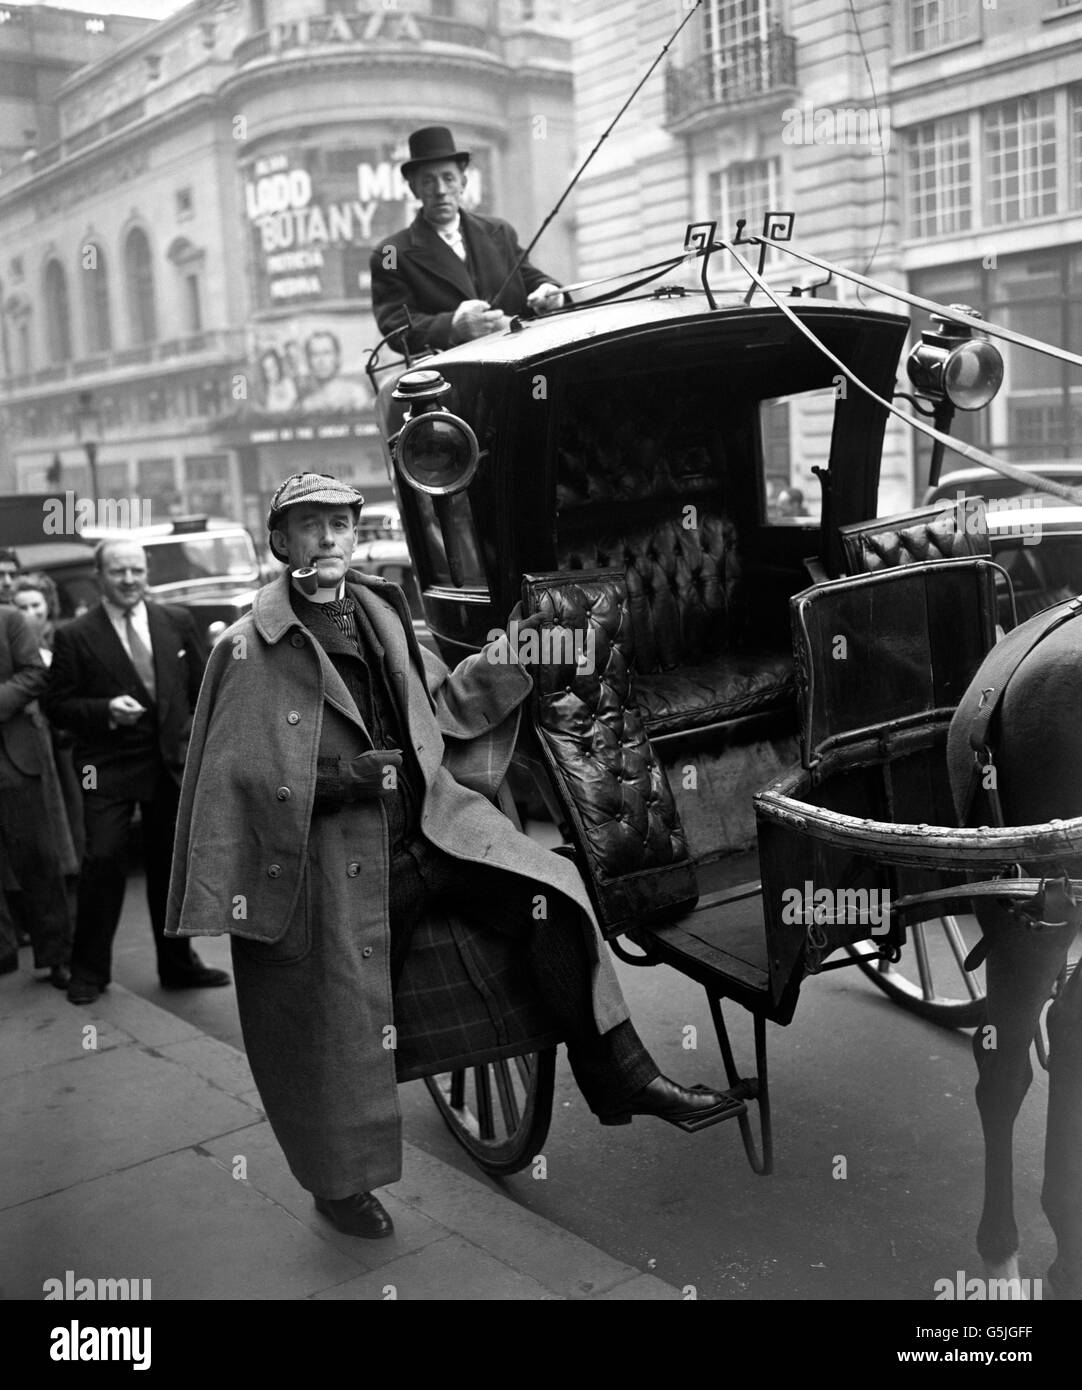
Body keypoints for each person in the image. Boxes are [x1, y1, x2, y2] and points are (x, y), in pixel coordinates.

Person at [165, 472, 743, 1239]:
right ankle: (339, 1184)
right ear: (280, 544)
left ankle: (627, 1082)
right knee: (334, 1018)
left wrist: (521, 651)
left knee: (555, 900)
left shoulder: (377, 612)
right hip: (342, 866)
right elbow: (233, 781)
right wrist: (339, 779)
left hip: (433, 830)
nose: (329, 538)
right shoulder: (248, 649)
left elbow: (440, 711)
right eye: (309, 526)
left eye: (339, 523)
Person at [43, 539, 231, 1005]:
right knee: (103, 859)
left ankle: (178, 965)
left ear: (146, 574)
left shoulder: (175, 622)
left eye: (136, 571)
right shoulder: (75, 635)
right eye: (118, 572)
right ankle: (88, 971)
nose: (129, 580)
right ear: (99, 576)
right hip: (106, 766)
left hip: (168, 763)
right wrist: (105, 709)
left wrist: (197, 747)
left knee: (169, 869)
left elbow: (203, 689)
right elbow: (56, 706)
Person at [370, 126, 565, 356]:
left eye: (448, 178)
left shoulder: (499, 231)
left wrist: (552, 294)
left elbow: (531, 279)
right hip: (453, 377)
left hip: (521, 359)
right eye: (429, 181)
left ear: (463, 183)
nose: (441, 190)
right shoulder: (390, 253)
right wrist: (452, 325)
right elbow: (395, 325)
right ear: (414, 189)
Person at [0, 602, 72, 986]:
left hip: (12, 757)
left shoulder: (9, 619)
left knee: (38, 859)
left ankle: (57, 955)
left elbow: (34, 674)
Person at [299, 330, 369, 413]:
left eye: (326, 353)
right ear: (308, 361)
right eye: (315, 354)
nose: (321, 360)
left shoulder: (356, 394)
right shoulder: (307, 404)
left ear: (337, 357)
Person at [258, 347, 299, 415]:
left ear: (278, 365)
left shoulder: (289, 383)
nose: (271, 373)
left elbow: (293, 405)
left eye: (273, 367)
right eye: (267, 370)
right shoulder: (265, 390)